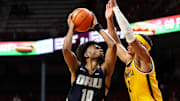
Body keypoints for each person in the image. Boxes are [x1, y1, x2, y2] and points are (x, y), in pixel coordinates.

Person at [105, 0, 163, 101]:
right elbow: (116, 43)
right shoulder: (129, 61)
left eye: (133, 44)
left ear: (141, 46)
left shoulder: (144, 59)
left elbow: (130, 37)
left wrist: (116, 9)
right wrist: (109, 19)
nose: (128, 44)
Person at [63, 11, 117, 101]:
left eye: (99, 47)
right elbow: (66, 50)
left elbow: (113, 46)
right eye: (96, 47)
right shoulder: (77, 68)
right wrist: (71, 29)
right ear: (86, 55)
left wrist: (97, 27)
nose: (100, 49)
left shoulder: (104, 71)